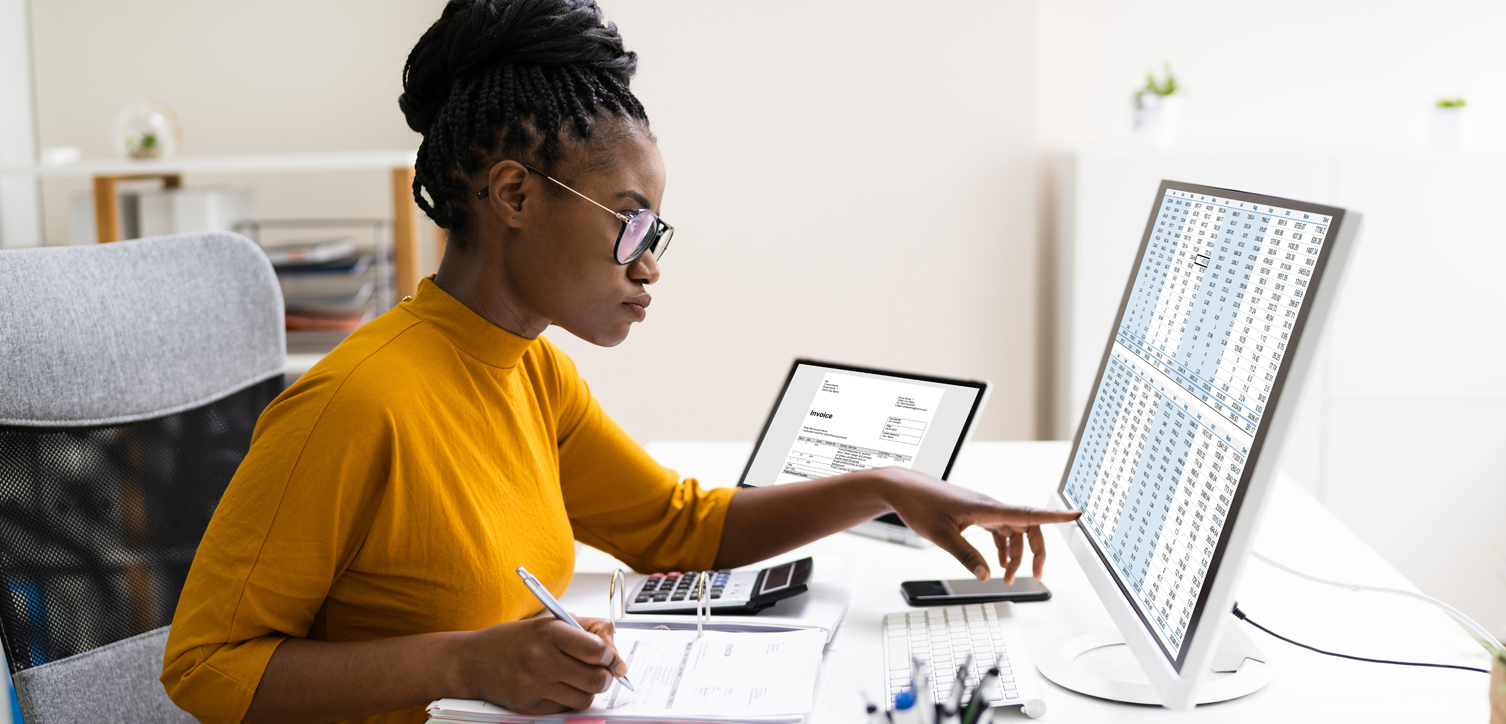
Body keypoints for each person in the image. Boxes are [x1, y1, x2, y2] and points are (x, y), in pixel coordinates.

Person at [160, 2, 1079, 723]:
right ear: (515, 194)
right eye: (630, 221)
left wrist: (883, 485)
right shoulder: (353, 406)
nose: (648, 263)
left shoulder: (531, 374)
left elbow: (680, 530)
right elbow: (204, 671)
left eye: (656, 230)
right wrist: (465, 658)